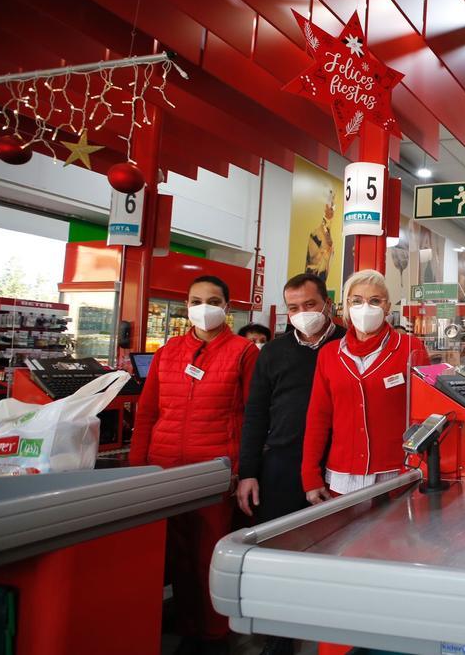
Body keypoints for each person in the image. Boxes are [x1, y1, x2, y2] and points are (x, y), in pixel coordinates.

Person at [129, 275, 259, 655]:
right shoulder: (168, 351)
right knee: (174, 556)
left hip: (214, 471)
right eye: (196, 300)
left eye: (213, 300)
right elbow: (148, 411)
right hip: (164, 469)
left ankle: (215, 634)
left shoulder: (243, 352)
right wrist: (138, 467)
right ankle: (186, 626)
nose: (204, 307)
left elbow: (252, 416)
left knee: (209, 558)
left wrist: (242, 468)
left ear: (227, 307)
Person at [235, 273, 343, 655]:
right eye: (294, 308)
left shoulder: (349, 345)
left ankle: (338, 639)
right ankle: (279, 642)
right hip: (281, 464)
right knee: (278, 557)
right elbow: (255, 414)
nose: (302, 314)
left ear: (326, 304)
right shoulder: (274, 353)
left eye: (310, 306)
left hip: (337, 466)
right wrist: (248, 471)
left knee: (338, 555)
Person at [301, 270, 429, 501]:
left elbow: (424, 417)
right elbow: (318, 417)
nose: (365, 307)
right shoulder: (330, 354)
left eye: (375, 301)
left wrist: (415, 464)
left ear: (388, 307)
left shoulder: (411, 349)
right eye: (357, 300)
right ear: (347, 306)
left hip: (396, 474)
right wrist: (310, 476)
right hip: (342, 477)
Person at [305, 188, 335, 282]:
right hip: (314, 277)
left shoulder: (327, 229)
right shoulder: (316, 233)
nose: (333, 210)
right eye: (331, 207)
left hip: (320, 277)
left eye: (333, 207)